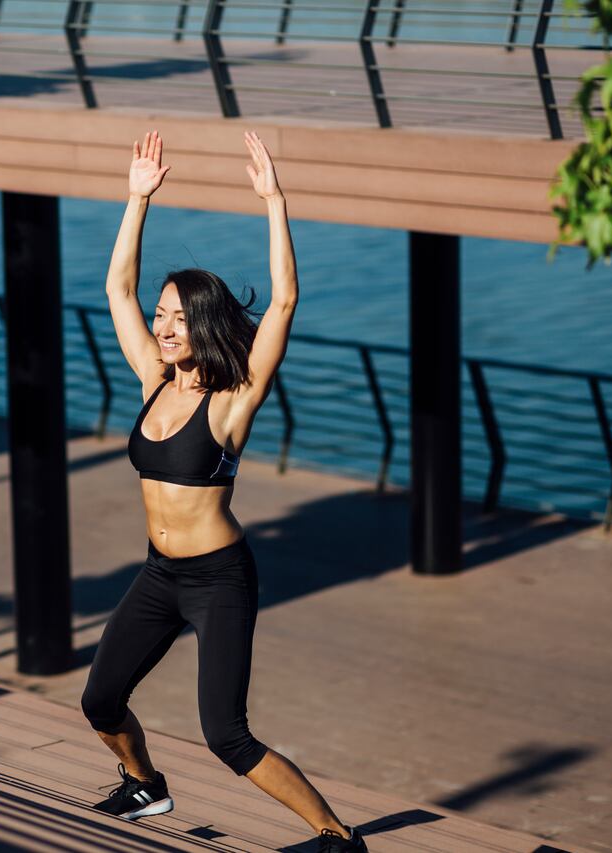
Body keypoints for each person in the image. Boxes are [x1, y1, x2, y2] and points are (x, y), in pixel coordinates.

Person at [79, 130, 369, 853]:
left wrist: (274, 201)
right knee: (99, 699)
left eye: (180, 318)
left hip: (218, 579)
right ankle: (145, 783)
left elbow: (283, 303)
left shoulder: (232, 401)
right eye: (163, 314)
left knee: (226, 734)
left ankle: (337, 836)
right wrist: (136, 199)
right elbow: (116, 288)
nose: (165, 326)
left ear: (204, 325)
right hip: (156, 572)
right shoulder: (153, 380)